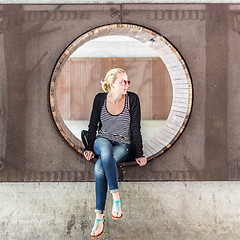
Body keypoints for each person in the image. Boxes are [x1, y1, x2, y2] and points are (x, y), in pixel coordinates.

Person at [84, 68, 147, 239]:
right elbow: (92, 125)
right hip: (102, 140)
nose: (127, 84)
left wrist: (139, 153)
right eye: (123, 81)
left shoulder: (132, 99)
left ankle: (99, 218)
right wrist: (89, 148)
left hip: (123, 144)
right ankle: (116, 199)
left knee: (100, 167)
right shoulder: (99, 99)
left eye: (128, 81)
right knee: (105, 150)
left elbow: (135, 128)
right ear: (112, 84)